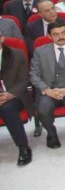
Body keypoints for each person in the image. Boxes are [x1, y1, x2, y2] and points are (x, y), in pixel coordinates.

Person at [0, 33, 32, 165]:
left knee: (7, 108)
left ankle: (23, 148)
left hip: (15, 95)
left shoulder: (17, 54)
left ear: (2, 38)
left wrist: (10, 94)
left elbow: (24, 79)